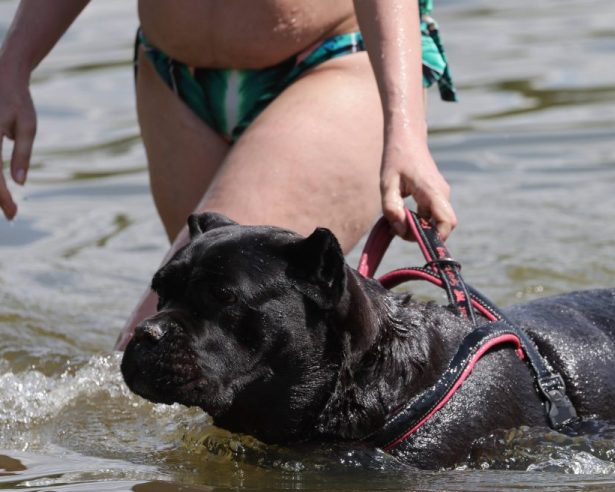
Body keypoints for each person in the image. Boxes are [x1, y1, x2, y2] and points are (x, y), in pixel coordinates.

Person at [0, 0, 458, 349]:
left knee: (150, 360)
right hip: (172, 78)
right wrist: (13, 65)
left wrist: (404, 130)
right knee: (214, 343)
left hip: (335, 60)